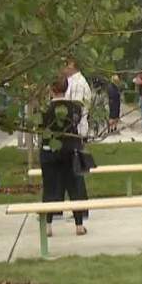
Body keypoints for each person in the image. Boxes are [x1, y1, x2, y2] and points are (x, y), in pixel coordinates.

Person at [39, 79, 88, 236]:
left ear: (51, 88)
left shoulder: (45, 109)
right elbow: (78, 124)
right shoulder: (75, 107)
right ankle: (79, 225)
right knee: (74, 188)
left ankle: (48, 225)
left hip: (49, 152)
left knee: (49, 188)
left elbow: (40, 128)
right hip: (70, 151)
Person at [63, 58, 92, 138]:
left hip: (76, 130)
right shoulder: (72, 81)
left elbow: (76, 106)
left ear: (71, 66)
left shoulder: (78, 83)